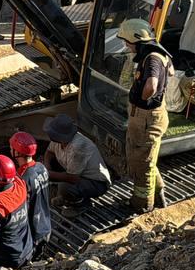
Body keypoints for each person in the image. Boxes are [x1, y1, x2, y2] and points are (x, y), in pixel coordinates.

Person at [0, 132, 52, 257]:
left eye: (12, 148)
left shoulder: (24, 179)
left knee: (32, 258)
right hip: (45, 224)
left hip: (33, 231)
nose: (10, 149)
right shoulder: (40, 167)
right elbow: (2, 163)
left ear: (17, 152)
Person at [119, 18, 173, 213]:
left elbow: (151, 85)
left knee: (143, 163)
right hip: (146, 117)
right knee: (146, 159)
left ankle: (142, 204)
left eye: (127, 42)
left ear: (137, 40)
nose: (126, 45)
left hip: (146, 117)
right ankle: (159, 194)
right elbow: (172, 72)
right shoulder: (157, 53)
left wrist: (141, 100)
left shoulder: (152, 58)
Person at [43, 114, 111, 214]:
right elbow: (49, 152)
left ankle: (81, 205)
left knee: (65, 187)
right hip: (77, 174)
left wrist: (46, 173)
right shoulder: (59, 140)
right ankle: (66, 198)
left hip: (96, 183)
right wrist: (47, 166)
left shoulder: (78, 148)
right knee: (50, 165)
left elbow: (72, 178)